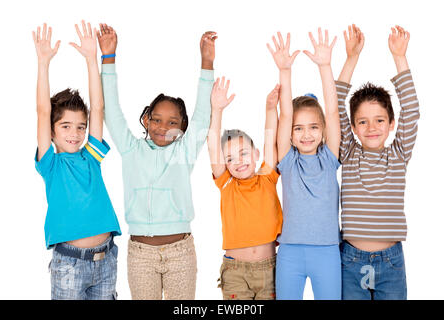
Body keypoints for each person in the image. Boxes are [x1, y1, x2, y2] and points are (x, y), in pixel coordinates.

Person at [98, 24, 215, 299]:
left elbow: (202, 115)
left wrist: (207, 63)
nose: (163, 127)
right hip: (140, 254)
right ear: (147, 119)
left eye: (172, 122)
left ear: (182, 127)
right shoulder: (130, 149)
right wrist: (109, 58)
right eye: (157, 120)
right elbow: (111, 111)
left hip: (180, 253)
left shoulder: (184, 151)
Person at [33, 21, 121, 300]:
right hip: (69, 266)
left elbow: (98, 107)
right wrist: (44, 63)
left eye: (80, 127)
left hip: (106, 260)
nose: (75, 133)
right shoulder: (50, 164)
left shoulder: (91, 157)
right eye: (66, 126)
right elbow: (42, 109)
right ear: (51, 131)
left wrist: (91, 60)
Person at [336, 25, 419, 300]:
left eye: (379, 120)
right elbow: (335, 104)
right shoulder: (347, 152)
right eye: (363, 121)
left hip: (391, 262)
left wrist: (400, 57)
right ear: (353, 127)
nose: (371, 127)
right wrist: (351, 59)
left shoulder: (398, 153)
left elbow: (412, 108)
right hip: (351, 260)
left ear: (391, 124)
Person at [268, 29, 342, 300]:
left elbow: (332, 112)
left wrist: (325, 66)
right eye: (299, 128)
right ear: (289, 134)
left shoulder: (329, 159)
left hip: (327, 251)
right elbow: (285, 112)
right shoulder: (287, 161)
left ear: (322, 130)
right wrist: (284, 71)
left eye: (313, 127)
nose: (306, 134)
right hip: (290, 252)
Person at [208, 77, 283, 300]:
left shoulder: (267, 177)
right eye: (230, 158)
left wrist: (271, 109)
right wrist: (217, 110)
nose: (239, 161)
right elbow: (213, 145)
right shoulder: (227, 183)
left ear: (256, 154)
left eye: (243, 153)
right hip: (235, 272)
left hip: (269, 270)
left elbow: (271, 140)